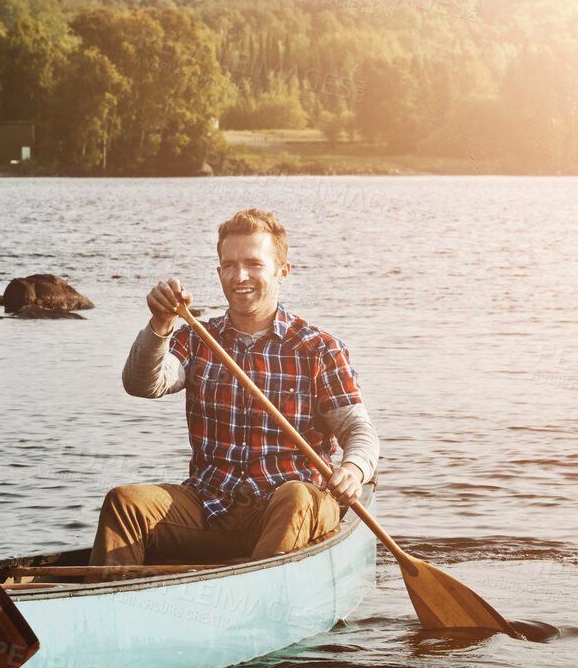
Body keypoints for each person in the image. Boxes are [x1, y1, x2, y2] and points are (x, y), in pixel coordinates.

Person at [90, 208, 378, 568]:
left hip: (289, 506)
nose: (239, 275)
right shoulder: (197, 338)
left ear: (281, 272)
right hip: (210, 505)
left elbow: (359, 430)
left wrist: (353, 470)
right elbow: (141, 384)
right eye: (229, 265)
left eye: (254, 264)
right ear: (219, 272)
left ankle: (259, 602)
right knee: (124, 502)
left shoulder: (318, 348)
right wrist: (161, 323)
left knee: (296, 497)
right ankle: (111, 606)